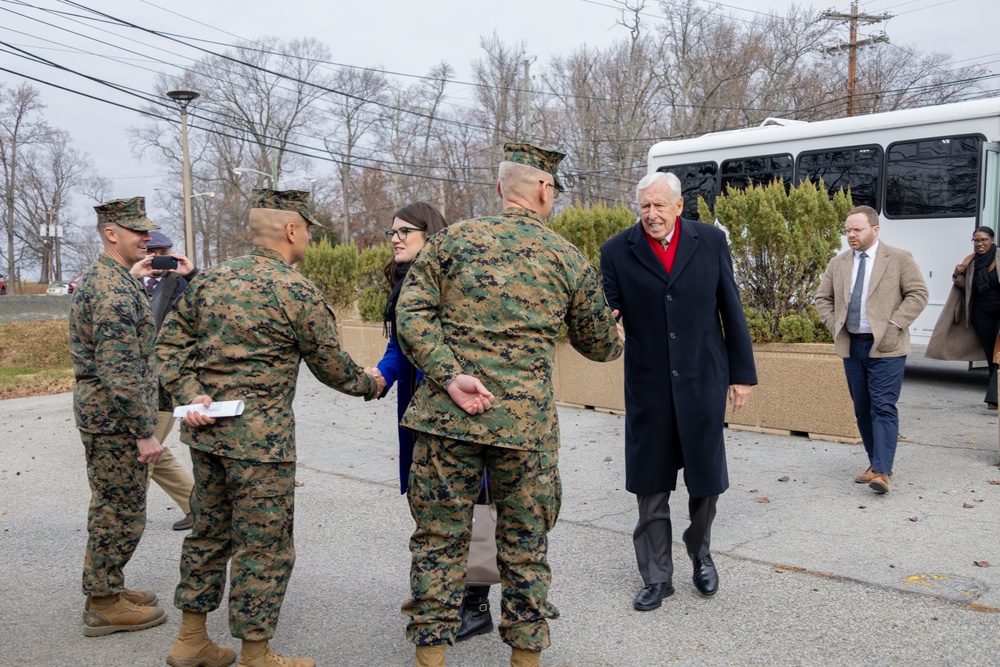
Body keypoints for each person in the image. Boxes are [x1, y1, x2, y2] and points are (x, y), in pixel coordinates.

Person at [396, 142, 622, 667]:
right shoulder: (566, 256)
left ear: (502, 189)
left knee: (438, 544)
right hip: (525, 432)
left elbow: (411, 318)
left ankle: (429, 661)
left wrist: (451, 376)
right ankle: (525, 660)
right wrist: (617, 332)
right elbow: (599, 346)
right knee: (525, 546)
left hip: (446, 422)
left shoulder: (451, 241)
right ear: (544, 190)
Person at [156, 189, 384, 667]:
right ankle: (256, 654)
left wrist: (190, 393)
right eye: (308, 231)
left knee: (209, 533)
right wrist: (373, 383)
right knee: (265, 545)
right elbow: (331, 367)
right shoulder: (296, 291)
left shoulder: (208, 282)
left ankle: (190, 639)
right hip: (262, 444)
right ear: (291, 229)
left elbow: (168, 347)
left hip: (207, 434)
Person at [599, 171, 757, 614]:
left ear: (679, 206)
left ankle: (700, 551)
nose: (651, 215)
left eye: (659, 206)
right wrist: (607, 322)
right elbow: (608, 306)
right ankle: (656, 576)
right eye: (644, 207)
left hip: (702, 379)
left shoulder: (709, 241)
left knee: (706, 483)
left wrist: (740, 373)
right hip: (648, 385)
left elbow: (731, 307)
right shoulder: (616, 251)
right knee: (650, 486)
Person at [375, 202, 495, 640]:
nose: (395, 237)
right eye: (392, 231)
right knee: (430, 508)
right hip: (416, 408)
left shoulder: (456, 280)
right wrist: (380, 375)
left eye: (406, 230)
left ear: (432, 234)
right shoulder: (403, 282)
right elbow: (398, 347)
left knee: (474, 507)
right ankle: (439, 593)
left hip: (457, 409)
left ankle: (475, 604)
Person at [70, 196, 167, 636]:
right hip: (116, 420)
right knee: (118, 510)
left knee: (117, 505)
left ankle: (109, 587)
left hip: (110, 417)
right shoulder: (109, 288)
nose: (147, 238)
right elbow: (119, 368)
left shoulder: (112, 278)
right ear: (112, 234)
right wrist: (144, 431)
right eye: (137, 231)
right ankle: (104, 603)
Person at [816, 205, 928, 495]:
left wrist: (895, 325)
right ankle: (875, 462)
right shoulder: (838, 263)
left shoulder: (899, 258)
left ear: (874, 230)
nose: (850, 235)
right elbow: (822, 299)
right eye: (848, 230)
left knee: (883, 407)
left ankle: (881, 471)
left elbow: (918, 294)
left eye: (857, 229)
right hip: (852, 345)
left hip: (887, 346)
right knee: (862, 409)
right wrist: (834, 323)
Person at [130, 230, 198, 530]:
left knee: (144, 451)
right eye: (151, 251)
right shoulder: (128, 282)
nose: (156, 258)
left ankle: (200, 507)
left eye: (162, 252)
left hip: (166, 384)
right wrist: (132, 276)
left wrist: (193, 273)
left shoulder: (184, 283)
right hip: (136, 384)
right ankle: (201, 506)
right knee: (149, 450)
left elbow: (217, 299)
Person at [927, 226, 1000, 408]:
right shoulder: (971, 261)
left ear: (992, 240)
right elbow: (965, 286)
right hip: (980, 314)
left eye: (983, 239)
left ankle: (994, 398)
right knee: (992, 355)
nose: (979, 244)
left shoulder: (999, 256)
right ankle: (995, 396)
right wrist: (957, 274)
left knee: (999, 353)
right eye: (976, 240)